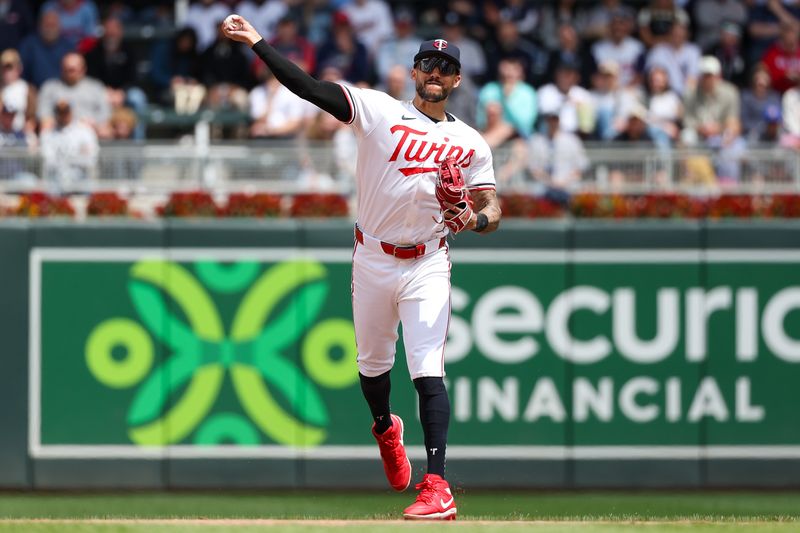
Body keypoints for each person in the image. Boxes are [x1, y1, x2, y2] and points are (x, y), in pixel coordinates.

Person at [222, 14, 501, 520]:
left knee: (428, 369)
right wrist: (258, 42)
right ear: (413, 72)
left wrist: (474, 218)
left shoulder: (472, 143)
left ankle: (437, 485)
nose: (435, 71)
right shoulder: (378, 110)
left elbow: (493, 209)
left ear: (457, 79)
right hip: (372, 256)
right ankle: (384, 429)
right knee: (373, 369)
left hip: (428, 262)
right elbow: (307, 87)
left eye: (445, 66)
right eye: (427, 63)